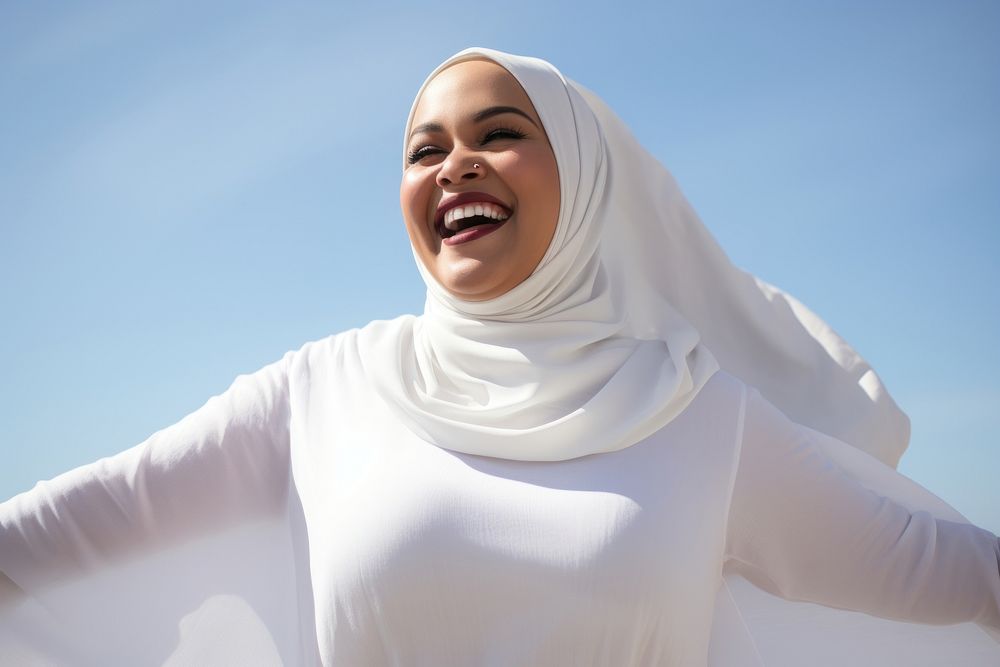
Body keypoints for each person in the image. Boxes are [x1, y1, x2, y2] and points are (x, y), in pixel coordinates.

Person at [1, 47, 998, 666]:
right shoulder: (317, 396)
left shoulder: (699, 414)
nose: (454, 164)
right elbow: (69, 527)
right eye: (423, 149)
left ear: (588, 183)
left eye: (499, 132)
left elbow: (940, 573)